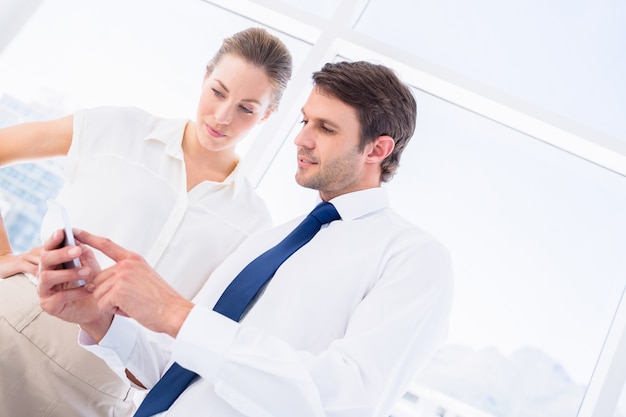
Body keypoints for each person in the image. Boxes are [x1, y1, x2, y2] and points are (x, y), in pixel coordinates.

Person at [38, 61, 454, 417]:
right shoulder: (271, 239)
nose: (301, 138)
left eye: (325, 128)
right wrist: (99, 316)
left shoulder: (413, 259)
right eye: (305, 120)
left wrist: (176, 314)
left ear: (377, 149)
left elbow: (344, 400)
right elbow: (178, 368)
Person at [0, 27, 292, 417]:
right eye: (218, 92)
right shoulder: (119, 129)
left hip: (96, 392)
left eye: (247, 108)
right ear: (204, 78)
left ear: (268, 115)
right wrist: (3, 254)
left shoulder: (254, 223)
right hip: (14, 323)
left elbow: (193, 341)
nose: (222, 116)